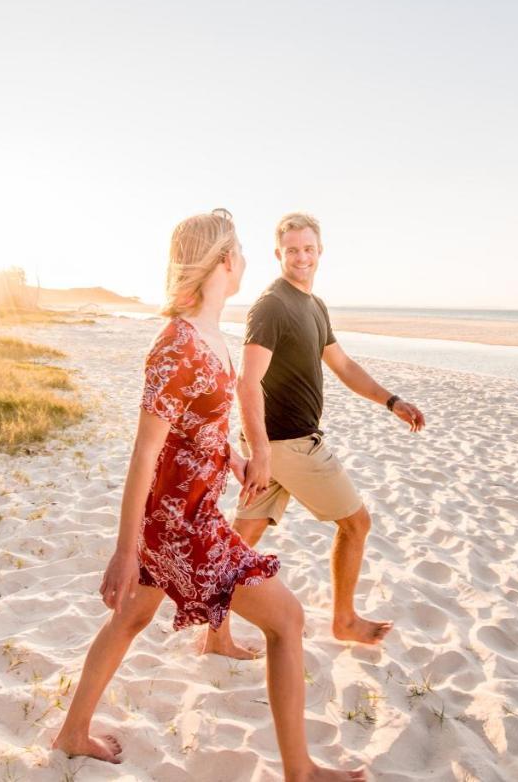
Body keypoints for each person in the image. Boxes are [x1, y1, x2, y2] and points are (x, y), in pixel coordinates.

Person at [52, 209, 365, 782]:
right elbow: (145, 454)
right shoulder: (175, 346)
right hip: (182, 527)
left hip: (181, 517)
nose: (245, 258)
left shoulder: (213, 338)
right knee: (288, 621)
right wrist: (125, 551)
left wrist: (237, 458)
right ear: (224, 261)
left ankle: (72, 733)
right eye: (241, 250)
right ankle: (301, 772)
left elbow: (202, 431)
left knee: (130, 619)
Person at [203, 212, 426, 659]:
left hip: (275, 448)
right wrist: (262, 453)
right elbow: (248, 382)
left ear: (320, 251)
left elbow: (342, 366)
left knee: (239, 542)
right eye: (292, 250)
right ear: (278, 254)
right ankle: (343, 620)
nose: (301, 257)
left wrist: (390, 400)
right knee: (356, 523)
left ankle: (215, 636)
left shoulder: (313, 306)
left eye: (308, 249)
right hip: (289, 446)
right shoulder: (272, 306)